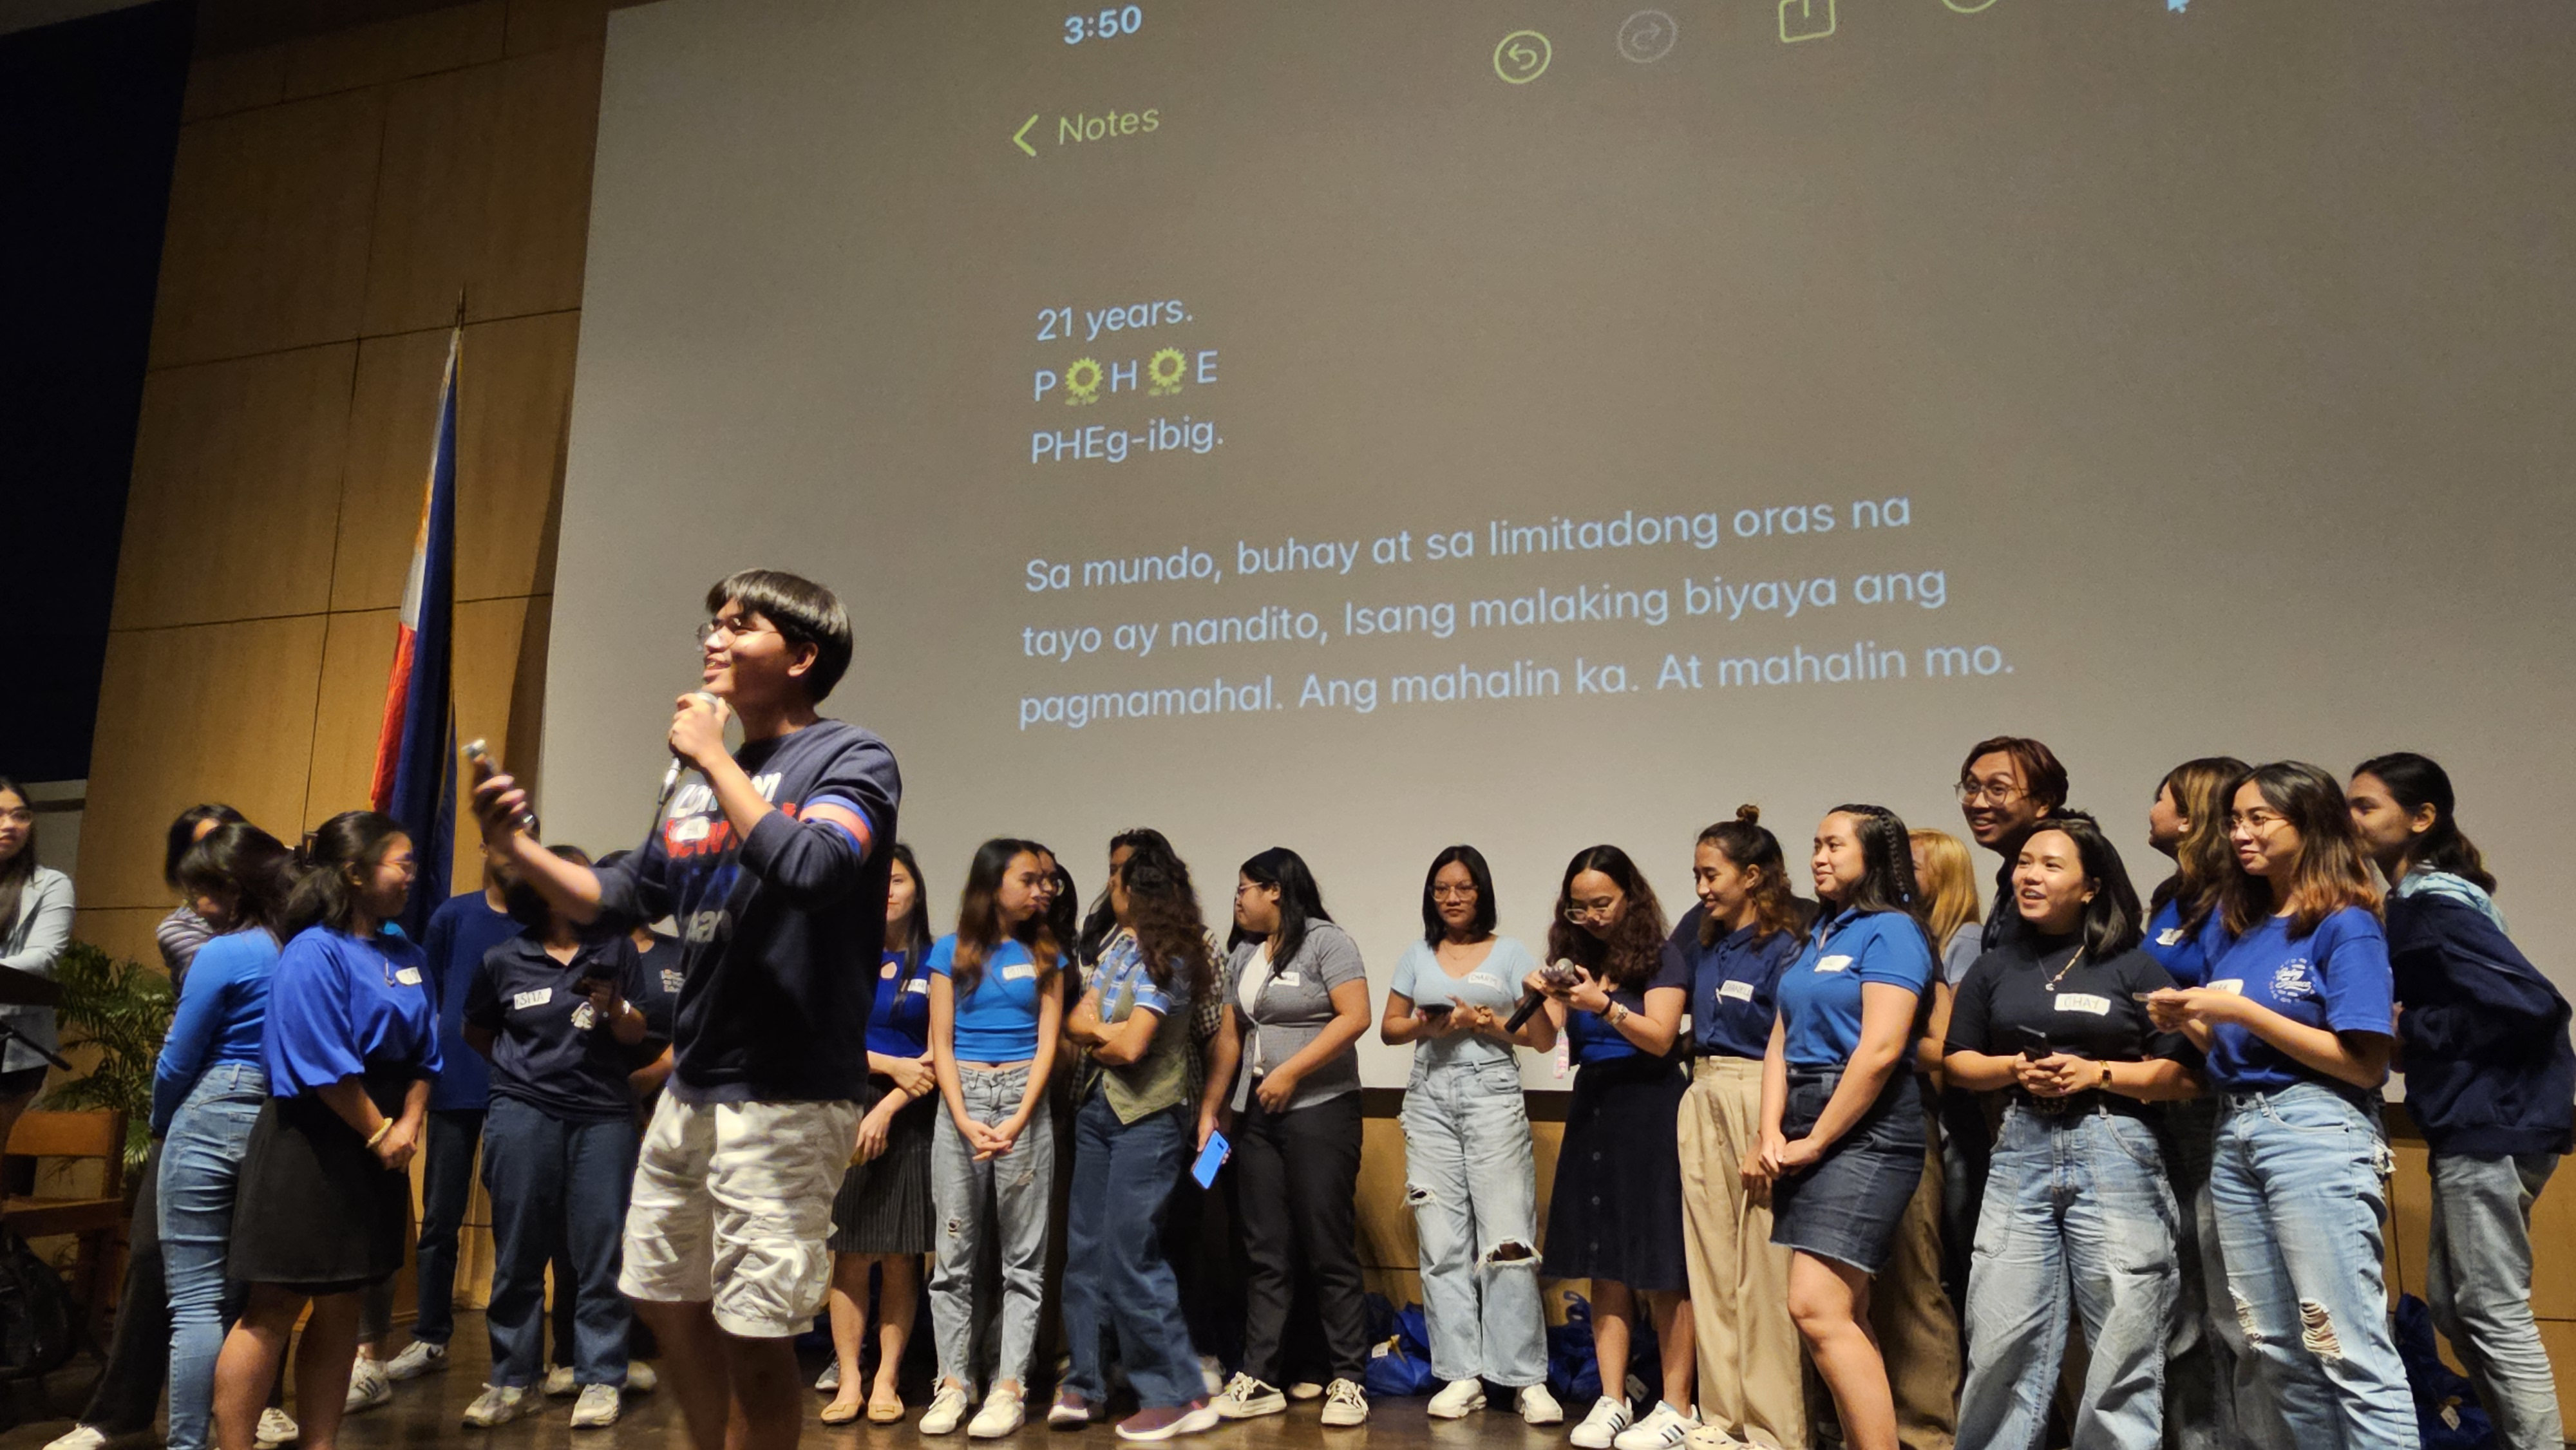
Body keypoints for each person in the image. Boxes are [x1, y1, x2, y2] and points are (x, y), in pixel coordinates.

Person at [471, 568, 901, 1450]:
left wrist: (713, 755)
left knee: (755, 1330)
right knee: (662, 1296)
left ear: (802, 655)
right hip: (694, 1086)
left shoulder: (852, 757)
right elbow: (623, 895)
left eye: (740, 625)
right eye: (712, 622)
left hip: (786, 1089)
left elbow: (815, 867)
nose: (713, 638)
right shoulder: (699, 780)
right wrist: (516, 849)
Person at [2146, 763, 2415, 1450]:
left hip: (2315, 1128)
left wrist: (2240, 1010)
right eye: (2234, 819)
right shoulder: (2234, 925)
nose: (2240, 832)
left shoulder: (2345, 923)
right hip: (2235, 1128)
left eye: (2259, 818)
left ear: (2310, 824)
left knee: (2344, 1343)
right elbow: (2236, 1048)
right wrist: (2191, 1021)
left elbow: (2364, 1063)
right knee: (2274, 1348)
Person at [1944, 812, 2200, 1450]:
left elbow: (2183, 1074)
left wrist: (2098, 1072)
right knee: (2000, 1335)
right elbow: (1957, 1061)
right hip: (2021, 1145)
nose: (2029, 875)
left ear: (2090, 886)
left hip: (2116, 1145)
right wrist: (2014, 1068)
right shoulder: (1994, 966)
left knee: (2123, 1334)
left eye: (2050, 865)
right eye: (2024, 864)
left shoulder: (2132, 966)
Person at [2350, 753, 2571, 1450]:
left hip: (2493, 1121)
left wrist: (2412, 1029)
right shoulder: (2416, 900)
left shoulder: (2432, 902)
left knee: (2489, 1309)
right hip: (2475, 1120)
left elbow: (2534, 1003)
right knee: (2453, 1305)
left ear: (2422, 818)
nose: (2350, 818)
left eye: (2365, 805)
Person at [210, 811, 439, 1450]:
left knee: (344, 1305)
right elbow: (319, 1059)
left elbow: (428, 1053)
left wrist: (409, 1122)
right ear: (354, 872)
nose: (412, 875)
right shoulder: (314, 948)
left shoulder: (408, 952)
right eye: (402, 863)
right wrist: (380, 1131)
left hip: (383, 1145)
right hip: (310, 1143)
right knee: (273, 1305)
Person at [49, 804, 256, 1450]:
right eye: (202, 851)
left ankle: (248, 1408)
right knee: (150, 1254)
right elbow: (220, 982)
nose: (214, 862)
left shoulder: (275, 930)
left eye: (228, 846)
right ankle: (119, 1411)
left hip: (257, 1102)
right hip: (190, 1098)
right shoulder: (187, 930)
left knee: (250, 1267)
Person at [1748, 805, 1937, 1450]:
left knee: (1815, 1306)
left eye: (1834, 845)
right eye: (1816, 844)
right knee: (1843, 1310)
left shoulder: (1892, 930)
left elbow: (1880, 1051)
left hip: (1865, 1127)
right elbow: (1779, 1039)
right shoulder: (1823, 930)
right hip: (1804, 1114)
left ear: (1873, 855)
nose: (1818, 857)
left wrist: (1818, 1139)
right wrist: (1769, 1130)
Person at [457, 845, 652, 1429]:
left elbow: (637, 1031)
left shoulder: (614, 949)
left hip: (603, 1116)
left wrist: (614, 1005)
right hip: (524, 1111)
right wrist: (523, 1077)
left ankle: (600, 1376)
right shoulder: (503, 958)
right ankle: (511, 1379)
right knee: (519, 1249)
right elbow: (477, 1031)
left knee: (600, 1251)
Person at [1052, 838, 1223, 1440]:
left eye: (1117, 878)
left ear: (1137, 889)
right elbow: (1076, 1021)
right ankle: (1086, 1382)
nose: (1110, 887)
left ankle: (1175, 1394)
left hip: (1148, 1116)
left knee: (1132, 1257)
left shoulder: (1172, 955)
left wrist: (1101, 1032)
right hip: (1098, 1110)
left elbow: (1131, 1046)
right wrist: (1105, 1031)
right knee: (1085, 1255)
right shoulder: (1118, 946)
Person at [1379, 846, 1557, 1426]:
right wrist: (1430, 1025)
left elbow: (1542, 1038)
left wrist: (1482, 1021)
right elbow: (1389, 1029)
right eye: (1441, 889)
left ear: (1482, 892)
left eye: (1463, 888)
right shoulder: (1417, 954)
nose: (1451, 898)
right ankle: (1461, 1374)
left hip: (1492, 1094)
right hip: (1429, 1096)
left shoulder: (1511, 953)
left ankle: (1524, 1377)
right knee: (1441, 1244)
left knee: (1507, 1238)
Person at [1526, 845, 1695, 1450]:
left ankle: (1677, 1404)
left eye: (1602, 903)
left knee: (1662, 1260)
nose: (1592, 916)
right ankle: (1612, 1397)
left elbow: (1661, 1039)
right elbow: (1541, 1040)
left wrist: (1603, 1005)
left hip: (1651, 1105)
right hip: (1594, 1104)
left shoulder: (1663, 956)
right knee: (1604, 1260)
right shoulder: (1577, 957)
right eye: (1579, 907)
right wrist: (1535, 996)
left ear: (1631, 897)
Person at [1206, 847, 1375, 1429]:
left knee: (1327, 1246)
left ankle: (1348, 1377)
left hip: (1321, 1112)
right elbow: (1230, 1037)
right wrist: (1214, 1110)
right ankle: (1260, 1375)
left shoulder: (1329, 942)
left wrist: (1291, 1072)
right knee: (1265, 1250)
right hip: (1257, 1116)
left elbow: (1355, 1017)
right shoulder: (1245, 954)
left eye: (1244, 889)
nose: (1237, 900)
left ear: (1275, 890)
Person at [2140, 756, 2268, 1450]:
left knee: (2231, 1298)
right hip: (2163, 1108)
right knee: (2183, 1296)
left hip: (2218, 1102)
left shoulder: (2240, 899)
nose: (2150, 809)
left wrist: (2185, 1017)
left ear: (2191, 814)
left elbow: (2235, 1008)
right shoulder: (2171, 893)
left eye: (2160, 798)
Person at [1672, 809, 1809, 1450]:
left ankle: (1775, 1427)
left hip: (1759, 1091)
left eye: (1712, 874)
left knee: (1765, 1268)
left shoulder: (1787, 945)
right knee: (1712, 1264)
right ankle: (1721, 1417)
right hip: (1702, 1088)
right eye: (1697, 875)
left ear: (1752, 876)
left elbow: (1790, 1040)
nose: (1702, 888)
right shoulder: (1705, 940)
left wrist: (1769, 1129)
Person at [153, 823, 294, 1450]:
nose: (199, 907)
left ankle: (188, 1446)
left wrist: (162, 1122)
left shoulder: (224, 953)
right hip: (280, 1117)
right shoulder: (306, 949)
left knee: (195, 1303)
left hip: (213, 1106)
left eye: (208, 892)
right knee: (249, 1304)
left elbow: (177, 1060)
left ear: (240, 889)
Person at [368, 839, 524, 1393]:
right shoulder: (453, 915)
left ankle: (514, 1349)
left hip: (515, 1086)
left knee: (513, 1222)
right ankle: (430, 1336)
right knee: (440, 1219)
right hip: (454, 1080)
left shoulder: (535, 919)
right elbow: (426, 993)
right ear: (484, 846)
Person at [920, 839, 1064, 1439]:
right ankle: (954, 1382)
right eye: (1028, 879)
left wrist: (1019, 1116)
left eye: (1043, 882)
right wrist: (961, 1115)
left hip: (1023, 1103)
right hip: (964, 1103)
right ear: (993, 883)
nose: (1040, 890)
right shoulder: (950, 950)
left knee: (1022, 1260)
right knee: (953, 1258)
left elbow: (1049, 1042)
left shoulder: (1046, 953)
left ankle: (1009, 1387)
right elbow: (940, 1042)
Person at [820, 843, 937, 1426]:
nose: (887, 891)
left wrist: (890, 1103)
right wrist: (889, 1066)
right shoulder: (845, 955)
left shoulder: (937, 959)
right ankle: (849, 1377)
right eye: (879, 881)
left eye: (898, 880)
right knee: (850, 1251)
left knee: (899, 1254)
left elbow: (940, 1052)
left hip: (912, 1111)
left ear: (918, 889)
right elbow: (825, 1038)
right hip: (848, 1103)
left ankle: (888, 1377)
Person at [1908, 826, 1985, 1313]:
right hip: (1935, 1117)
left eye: (1911, 867)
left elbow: (1953, 1036)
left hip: (1952, 1119)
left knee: (1955, 1246)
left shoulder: (1965, 941)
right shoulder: (1918, 937)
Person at [0, 778, 72, 1153]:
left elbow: (44, 955)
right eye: (0, 815)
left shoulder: (49, 884)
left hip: (14, 1044)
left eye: (20, 815)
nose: (10, 825)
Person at [1956, 738, 2068, 952]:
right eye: (1972, 787)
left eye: (1998, 790)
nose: (1978, 803)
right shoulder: (2010, 872)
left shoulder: (2075, 868)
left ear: (2043, 802)